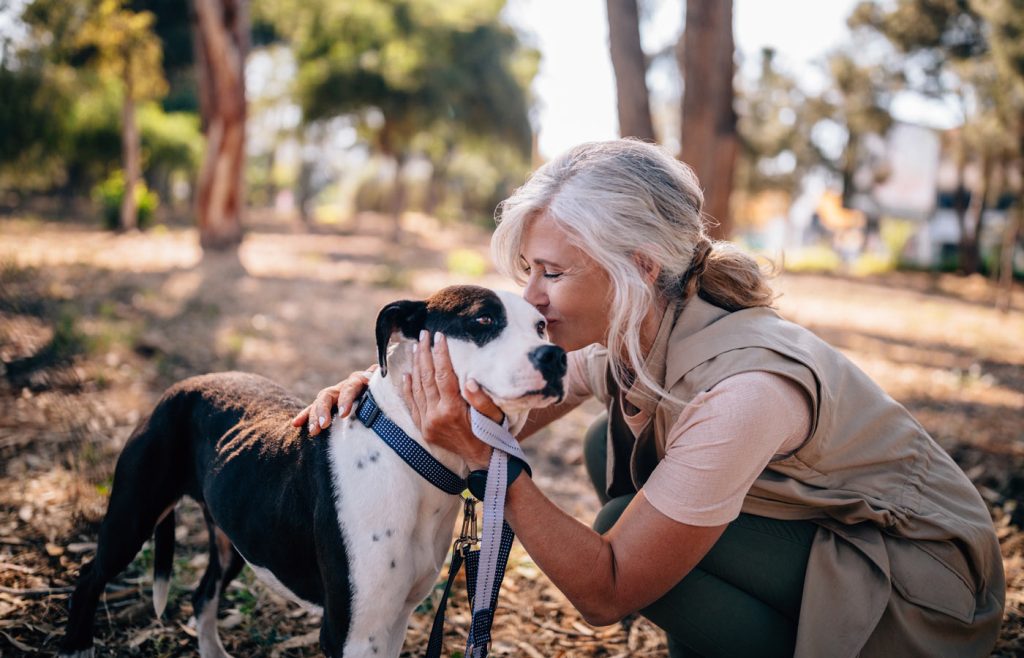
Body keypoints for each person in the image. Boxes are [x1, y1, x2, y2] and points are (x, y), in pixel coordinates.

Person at [292, 139, 1004, 657]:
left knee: (620, 522)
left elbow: (605, 593)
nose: (531, 296)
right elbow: (500, 401)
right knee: (615, 447)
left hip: (923, 596)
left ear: (637, 267)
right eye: (525, 271)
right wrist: (388, 395)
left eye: (551, 272)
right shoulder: (632, 330)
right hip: (838, 533)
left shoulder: (745, 392)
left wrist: (488, 465)